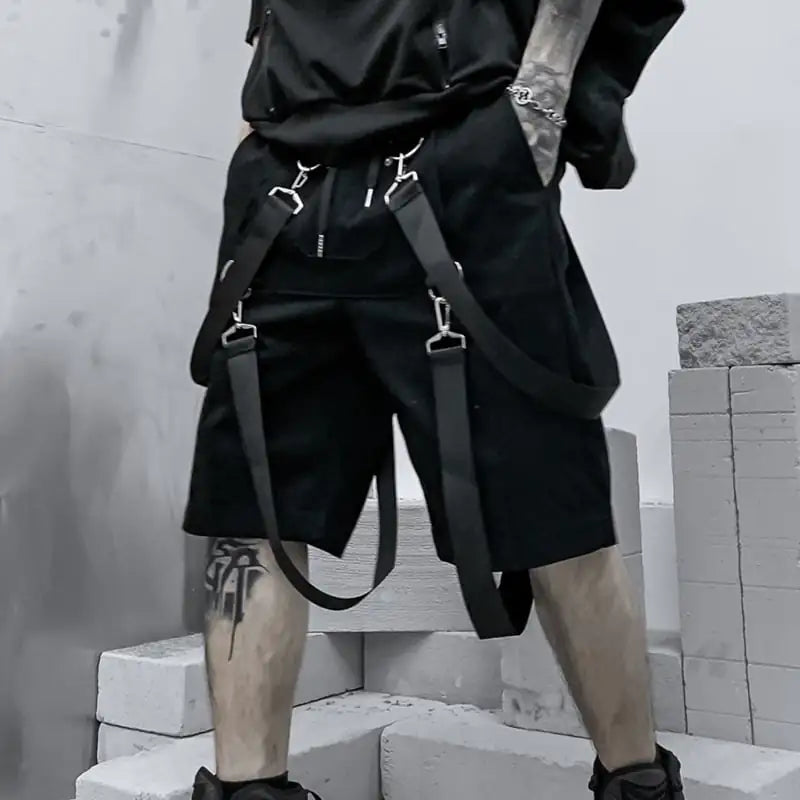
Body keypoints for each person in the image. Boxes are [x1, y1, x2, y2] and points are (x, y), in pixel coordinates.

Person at [184, 1, 686, 798]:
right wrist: (256, 123)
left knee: (552, 503)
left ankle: (638, 786)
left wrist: (538, 104)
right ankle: (248, 791)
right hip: (287, 175)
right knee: (253, 510)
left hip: (465, 159)